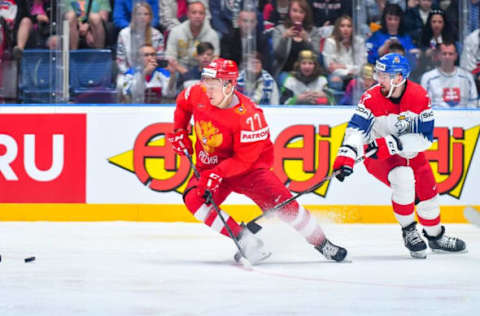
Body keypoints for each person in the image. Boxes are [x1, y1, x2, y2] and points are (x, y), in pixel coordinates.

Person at [167, 58, 347, 264]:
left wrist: (217, 174)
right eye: (205, 83)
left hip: (249, 171)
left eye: (213, 86)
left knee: (286, 207)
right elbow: (183, 103)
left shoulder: (250, 117)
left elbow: (244, 160)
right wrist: (179, 131)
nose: (207, 91)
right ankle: (244, 239)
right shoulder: (198, 93)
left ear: (229, 86)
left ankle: (322, 243)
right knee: (194, 199)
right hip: (211, 166)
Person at [333, 53, 466, 259]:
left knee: (429, 196)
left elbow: (426, 137)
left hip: (409, 153)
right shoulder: (370, 97)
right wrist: (346, 155)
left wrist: (393, 143)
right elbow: (356, 129)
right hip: (380, 157)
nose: (378, 79)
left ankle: (435, 237)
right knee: (402, 177)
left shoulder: (420, 96)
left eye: (384, 76)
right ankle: (409, 230)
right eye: (378, 74)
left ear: (399, 77)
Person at [165, 0, 219, 75]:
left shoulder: (212, 35)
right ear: (188, 14)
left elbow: (215, 58)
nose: (197, 16)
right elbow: (170, 57)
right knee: (170, 70)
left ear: (205, 16)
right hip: (180, 70)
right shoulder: (176, 32)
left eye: (201, 13)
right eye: (194, 13)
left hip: (203, 72)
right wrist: (185, 73)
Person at [272, 0, 322, 80]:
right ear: (289, 12)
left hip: (309, 73)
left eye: (301, 12)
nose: (297, 15)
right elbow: (278, 56)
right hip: (286, 72)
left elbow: (316, 56)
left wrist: (307, 39)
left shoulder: (313, 31)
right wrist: (284, 38)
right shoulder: (280, 30)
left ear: (306, 14)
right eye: (294, 11)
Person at [421, 42, 478, 108]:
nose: (447, 57)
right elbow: (424, 103)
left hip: (463, 117)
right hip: (437, 117)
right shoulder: (428, 77)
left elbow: (473, 102)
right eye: (444, 54)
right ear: (438, 56)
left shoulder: (467, 77)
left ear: (456, 56)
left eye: (450, 54)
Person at [116, 2, 165, 74]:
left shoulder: (157, 35)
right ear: (134, 16)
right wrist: (133, 74)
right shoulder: (124, 34)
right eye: (139, 14)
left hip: (153, 74)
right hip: (129, 75)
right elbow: (120, 62)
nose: (142, 17)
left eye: (146, 14)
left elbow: (160, 59)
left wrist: (149, 71)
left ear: (150, 17)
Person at [322, 15, 367, 91]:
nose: (346, 29)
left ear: (352, 29)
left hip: (356, 75)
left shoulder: (359, 42)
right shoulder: (330, 42)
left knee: (364, 82)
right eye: (342, 26)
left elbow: (362, 65)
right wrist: (348, 72)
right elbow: (329, 67)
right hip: (337, 75)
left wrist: (343, 66)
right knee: (335, 81)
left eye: (349, 26)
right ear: (337, 28)